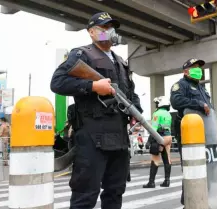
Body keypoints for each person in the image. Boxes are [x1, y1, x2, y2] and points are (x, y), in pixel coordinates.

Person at [50, 12, 143, 209]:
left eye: (111, 28)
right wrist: (93, 87)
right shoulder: (81, 54)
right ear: (91, 32)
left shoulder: (121, 62)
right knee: (85, 196)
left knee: (115, 192)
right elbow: (57, 82)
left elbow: (131, 93)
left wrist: (136, 113)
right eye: (103, 28)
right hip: (92, 138)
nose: (109, 32)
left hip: (119, 138)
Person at [170, 58, 213, 207]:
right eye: (194, 67)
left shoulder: (202, 88)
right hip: (189, 135)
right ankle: (188, 203)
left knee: (205, 168)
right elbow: (176, 102)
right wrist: (198, 104)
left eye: (199, 68)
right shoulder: (180, 85)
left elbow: (209, 108)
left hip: (205, 132)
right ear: (186, 71)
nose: (198, 70)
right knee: (192, 168)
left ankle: (199, 200)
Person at [143, 96, 173, 188]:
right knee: (167, 158)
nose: (156, 105)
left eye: (157, 103)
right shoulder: (168, 114)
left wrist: (148, 141)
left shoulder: (157, 113)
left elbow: (153, 129)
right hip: (168, 137)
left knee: (155, 159)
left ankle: (151, 182)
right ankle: (167, 181)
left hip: (160, 137)